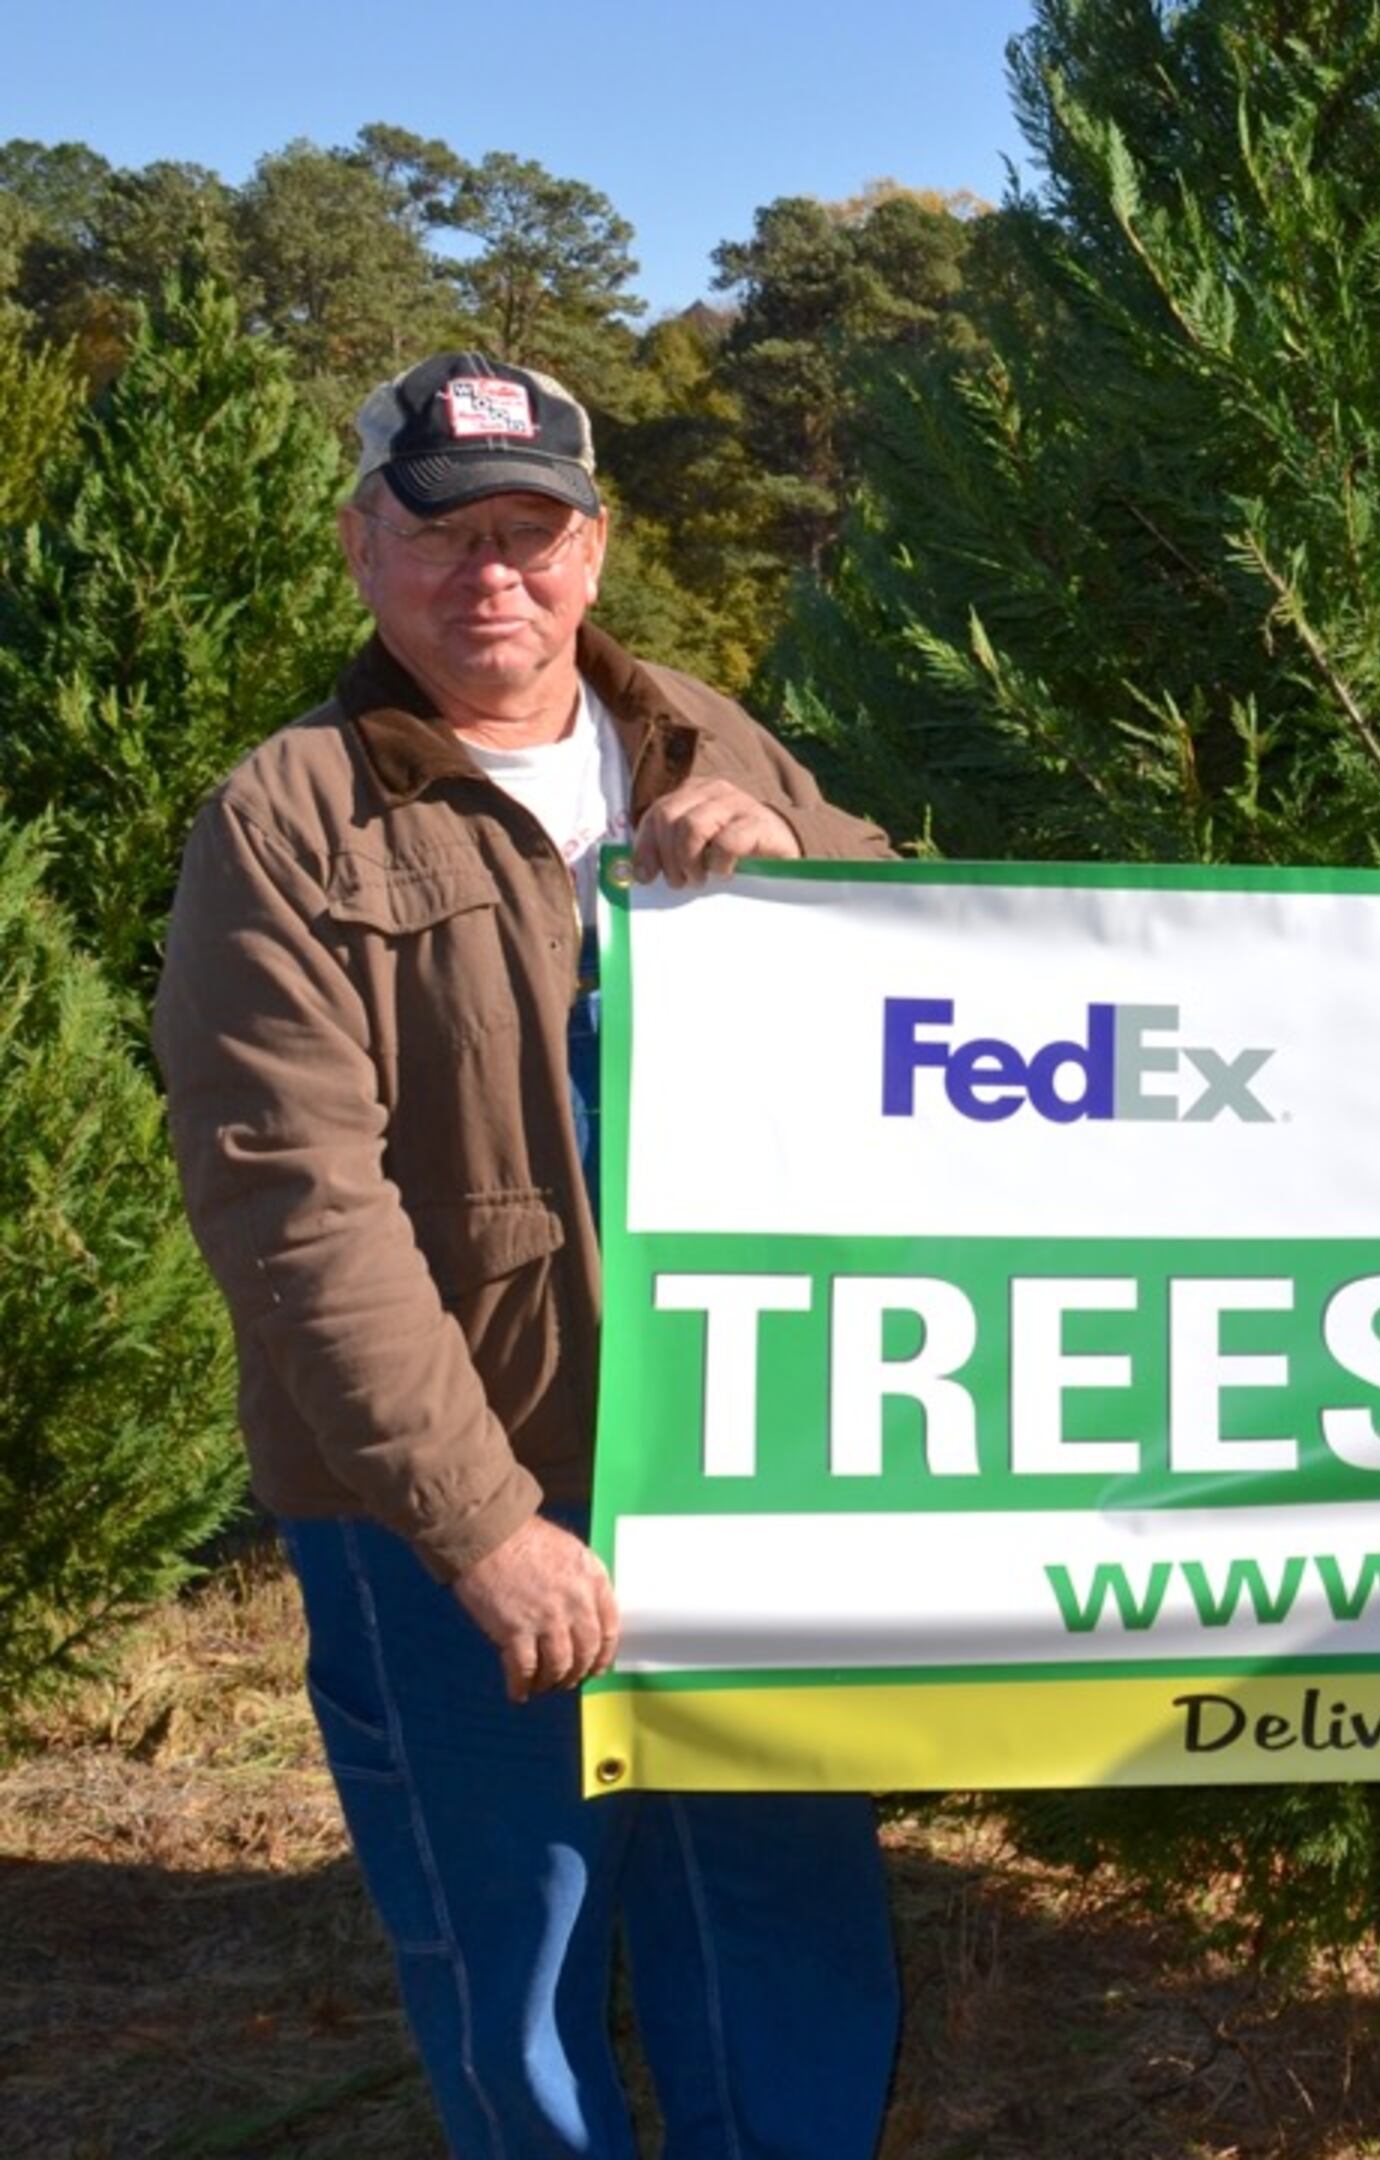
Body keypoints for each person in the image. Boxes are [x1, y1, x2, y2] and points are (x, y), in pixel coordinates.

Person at [156, 352, 903, 2157]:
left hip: (734, 1475)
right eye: (442, 534)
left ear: (593, 550)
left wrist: (796, 845)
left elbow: (918, 947)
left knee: (780, 1922)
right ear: (361, 548)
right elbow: (294, 1205)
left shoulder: (706, 733)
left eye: (531, 533)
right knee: (522, 1964)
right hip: (455, 1511)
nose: (492, 576)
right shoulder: (289, 818)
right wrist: (481, 1526)